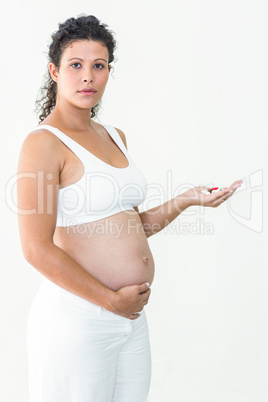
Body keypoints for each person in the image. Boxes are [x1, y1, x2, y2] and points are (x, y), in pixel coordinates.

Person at [17, 14, 243, 402]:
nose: (88, 76)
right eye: (76, 65)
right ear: (54, 71)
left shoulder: (113, 136)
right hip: (78, 320)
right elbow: (36, 249)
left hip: (130, 319)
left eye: (99, 65)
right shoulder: (43, 144)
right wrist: (109, 300)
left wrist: (187, 198)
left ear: (108, 72)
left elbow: (130, 227)